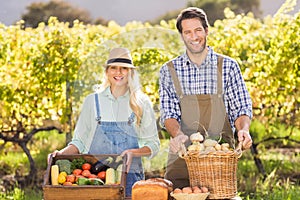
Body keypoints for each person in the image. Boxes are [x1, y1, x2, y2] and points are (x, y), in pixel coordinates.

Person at [159, 7, 253, 189]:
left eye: (198, 30)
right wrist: (177, 135)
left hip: (219, 156)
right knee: (180, 193)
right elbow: (168, 112)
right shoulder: (169, 70)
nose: (193, 37)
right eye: (187, 32)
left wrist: (244, 130)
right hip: (183, 154)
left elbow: (241, 107)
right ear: (181, 36)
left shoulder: (228, 66)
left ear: (206, 31)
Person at [50, 47, 160, 197]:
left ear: (131, 72)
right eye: (114, 68)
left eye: (124, 68)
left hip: (130, 177)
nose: (119, 73)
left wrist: (133, 153)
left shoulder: (141, 103)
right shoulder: (92, 101)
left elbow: (153, 144)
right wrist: (60, 154)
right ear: (107, 72)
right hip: (95, 177)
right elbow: (79, 141)